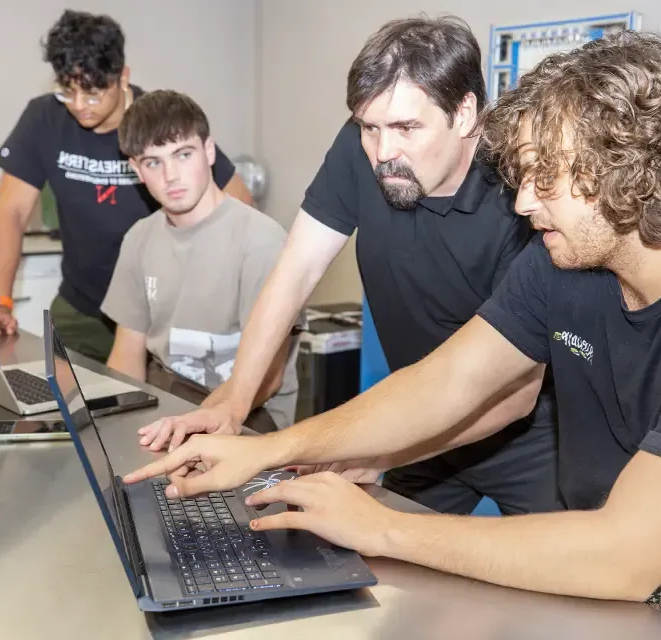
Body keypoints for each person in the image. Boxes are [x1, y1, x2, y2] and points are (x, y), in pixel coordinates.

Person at [124, 31, 661, 640]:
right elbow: (446, 383)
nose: (523, 202)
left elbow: (625, 554)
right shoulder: (562, 261)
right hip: (610, 570)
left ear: (628, 172)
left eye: (546, 180)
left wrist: (381, 529)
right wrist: (271, 449)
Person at [134, 15, 563, 517]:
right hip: (414, 414)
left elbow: (515, 392)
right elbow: (294, 273)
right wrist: (234, 401)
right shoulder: (367, 144)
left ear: (465, 113)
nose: (383, 153)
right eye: (369, 127)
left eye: (406, 127)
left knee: (547, 590)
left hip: (525, 436)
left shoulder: (522, 192)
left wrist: (382, 451)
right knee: (382, 578)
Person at [0, 9, 253, 362]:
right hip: (82, 307)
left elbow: (240, 208)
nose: (79, 106)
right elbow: (11, 212)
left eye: (93, 93)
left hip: (159, 313)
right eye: (67, 91)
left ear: (122, 77)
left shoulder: (157, 122)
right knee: (62, 411)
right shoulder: (43, 119)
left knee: (158, 411)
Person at [100, 90, 298, 431]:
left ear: (208, 152)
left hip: (250, 414)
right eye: (153, 162)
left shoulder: (262, 240)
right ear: (136, 169)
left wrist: (189, 426)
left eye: (182, 154)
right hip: (168, 401)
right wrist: (113, 427)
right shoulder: (139, 239)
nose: (170, 176)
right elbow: (127, 356)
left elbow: (270, 376)